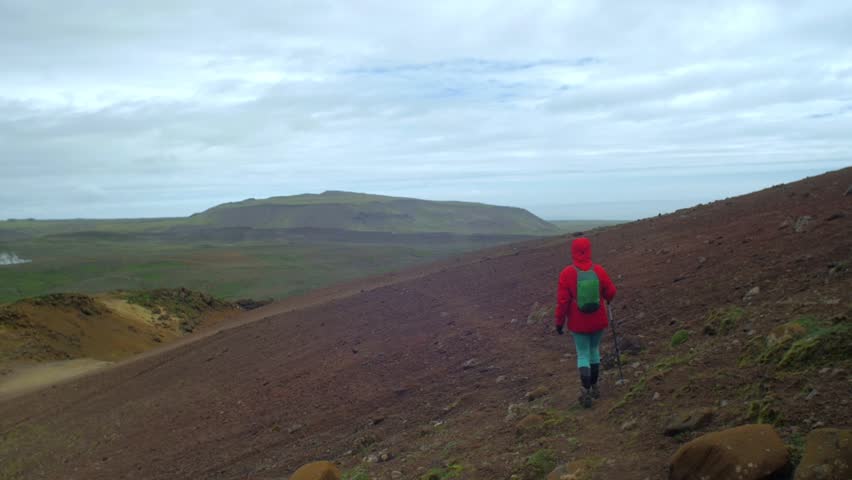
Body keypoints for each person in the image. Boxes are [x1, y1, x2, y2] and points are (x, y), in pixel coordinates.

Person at [554, 237, 617, 408]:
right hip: (598, 319)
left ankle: (586, 390)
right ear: (589, 250)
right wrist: (606, 298)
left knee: (582, 354)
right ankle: (595, 387)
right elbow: (611, 291)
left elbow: (562, 302)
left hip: (578, 322)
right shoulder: (598, 270)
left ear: (573, 252)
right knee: (594, 350)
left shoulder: (567, 273)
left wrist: (559, 323)